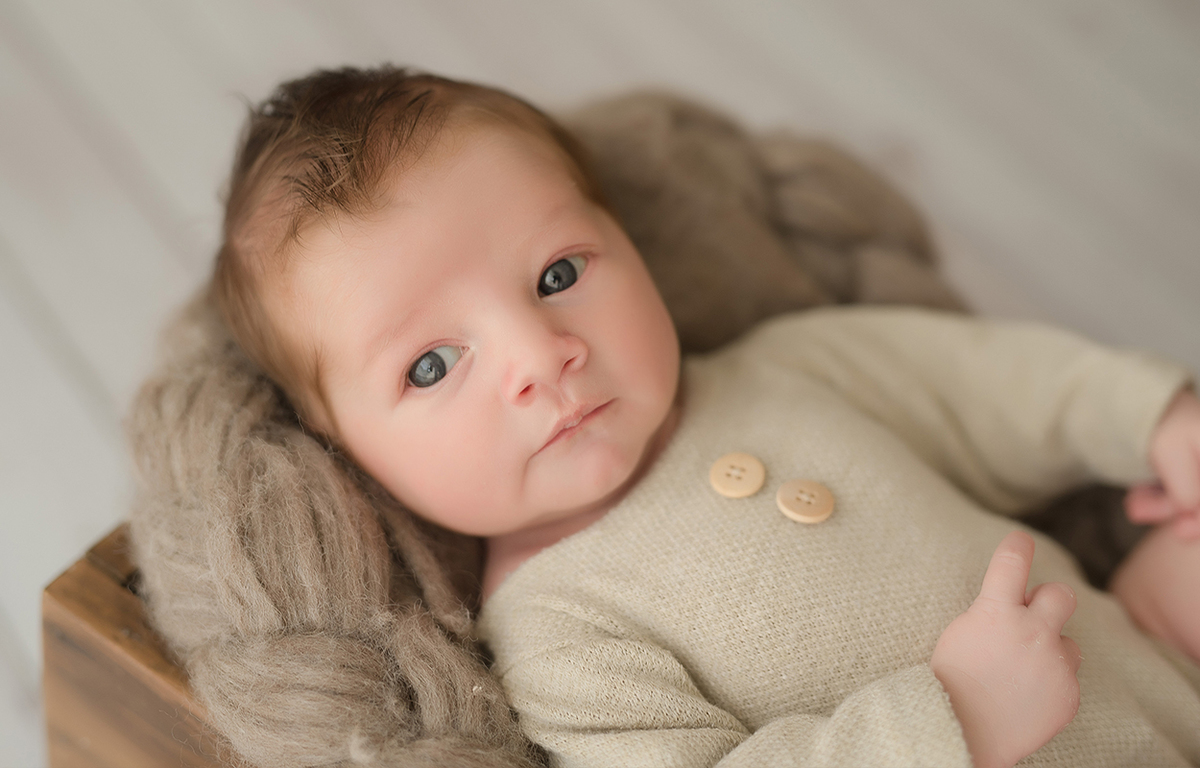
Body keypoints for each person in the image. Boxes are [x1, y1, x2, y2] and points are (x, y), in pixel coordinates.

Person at [212, 65, 1200, 767]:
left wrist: (1153, 418)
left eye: (557, 274)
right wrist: (957, 719)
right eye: (432, 364)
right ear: (354, 457)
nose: (540, 356)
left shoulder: (787, 370)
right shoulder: (561, 631)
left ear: (628, 244)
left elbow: (985, 384)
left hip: (1147, 659)